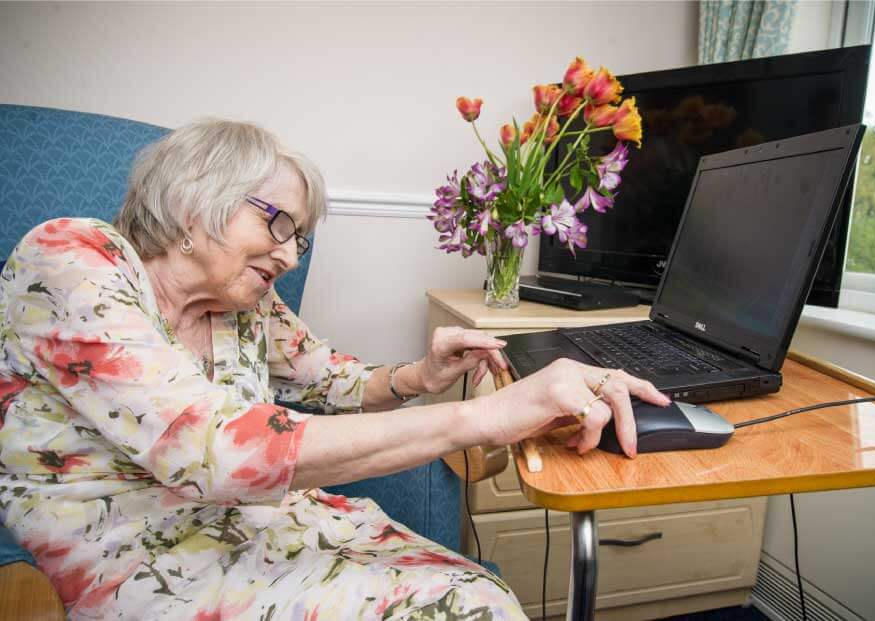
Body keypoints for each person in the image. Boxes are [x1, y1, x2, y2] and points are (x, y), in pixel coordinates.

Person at [0, 119, 669, 620]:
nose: (289, 256)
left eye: (301, 237)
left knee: (477, 595)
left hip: (263, 529)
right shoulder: (70, 258)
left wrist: (421, 374)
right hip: (145, 563)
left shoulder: (244, 302)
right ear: (192, 199)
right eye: (279, 224)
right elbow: (214, 450)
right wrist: (483, 414)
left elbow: (336, 381)